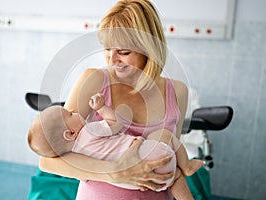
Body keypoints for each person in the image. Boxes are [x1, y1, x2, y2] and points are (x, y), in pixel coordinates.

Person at [28, 0, 192, 199]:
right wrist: (114, 172)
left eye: (123, 52)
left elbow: (171, 159)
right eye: (107, 49)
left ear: (148, 49)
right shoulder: (94, 81)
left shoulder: (177, 92)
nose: (112, 60)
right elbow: (48, 161)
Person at [28, 93, 204, 199]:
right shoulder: (89, 131)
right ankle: (187, 166)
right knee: (165, 137)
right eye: (69, 114)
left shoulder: (75, 158)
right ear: (71, 134)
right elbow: (115, 123)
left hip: (132, 183)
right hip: (149, 155)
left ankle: (180, 173)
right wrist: (102, 107)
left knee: (173, 177)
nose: (74, 110)